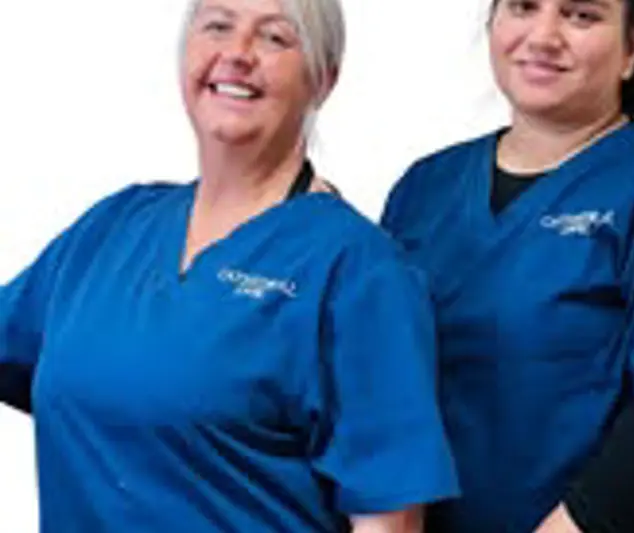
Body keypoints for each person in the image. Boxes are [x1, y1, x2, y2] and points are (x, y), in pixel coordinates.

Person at [0, 0, 460, 531]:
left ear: (323, 79)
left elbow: (389, 519)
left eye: (274, 37)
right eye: (218, 26)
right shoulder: (111, 229)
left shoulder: (358, 272)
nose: (237, 53)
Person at [381, 0, 634, 532]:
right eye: (523, 7)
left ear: (633, 47)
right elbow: (377, 389)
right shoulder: (424, 190)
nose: (544, 36)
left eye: (581, 15)